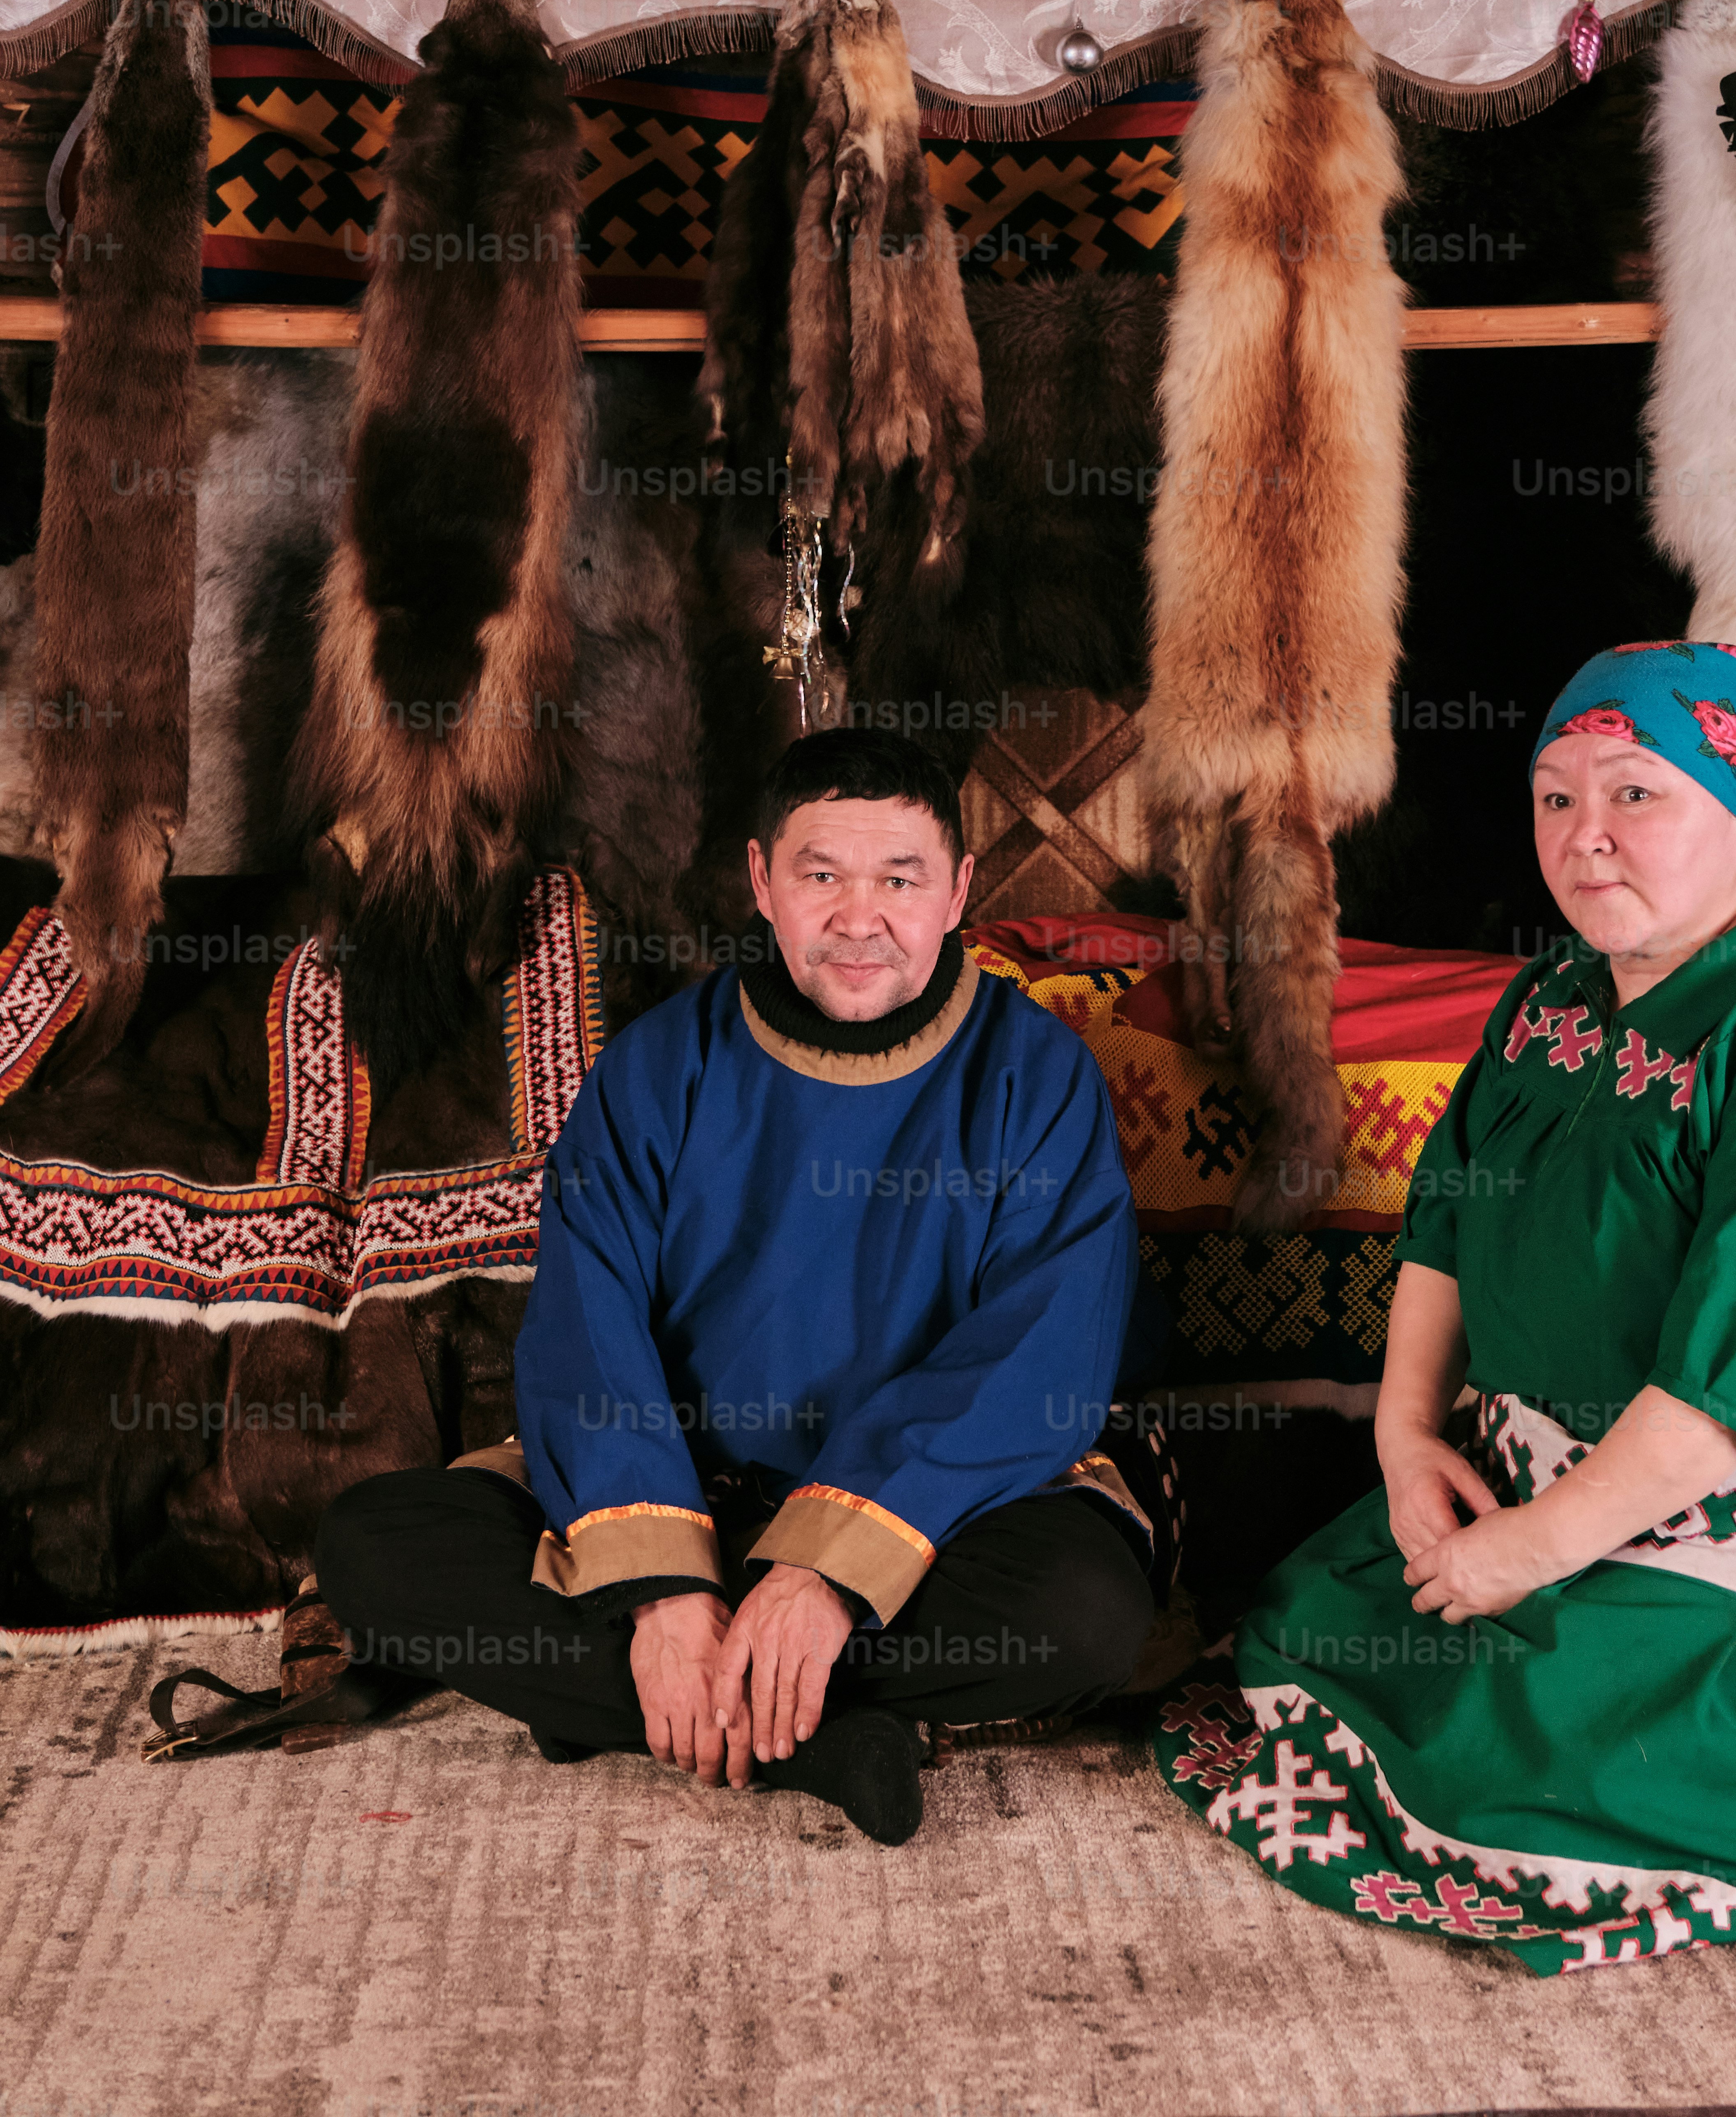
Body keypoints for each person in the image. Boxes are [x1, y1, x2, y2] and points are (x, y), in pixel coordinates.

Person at [1155, 640, 1736, 1975]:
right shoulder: (1549, 1000)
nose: (1583, 838)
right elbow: (1446, 1225)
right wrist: (1408, 1444)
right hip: (1549, 1461)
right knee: (1303, 1620)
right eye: (1554, 797)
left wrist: (1526, 1551)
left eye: (1633, 793)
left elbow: (1726, 1395)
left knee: (1522, 1761)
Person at [319, 728, 1155, 1845]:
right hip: (695, 1489)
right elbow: (587, 1332)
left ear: (957, 890)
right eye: (822, 876)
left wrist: (827, 1571)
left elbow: (1038, 1355)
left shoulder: (1037, 1073)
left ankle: (642, 1701)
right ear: (763, 881)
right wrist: (663, 1589)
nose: (860, 919)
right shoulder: (661, 1066)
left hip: (926, 1521)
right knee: (377, 1545)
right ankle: (818, 1740)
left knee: (1085, 1608)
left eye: (899, 879)